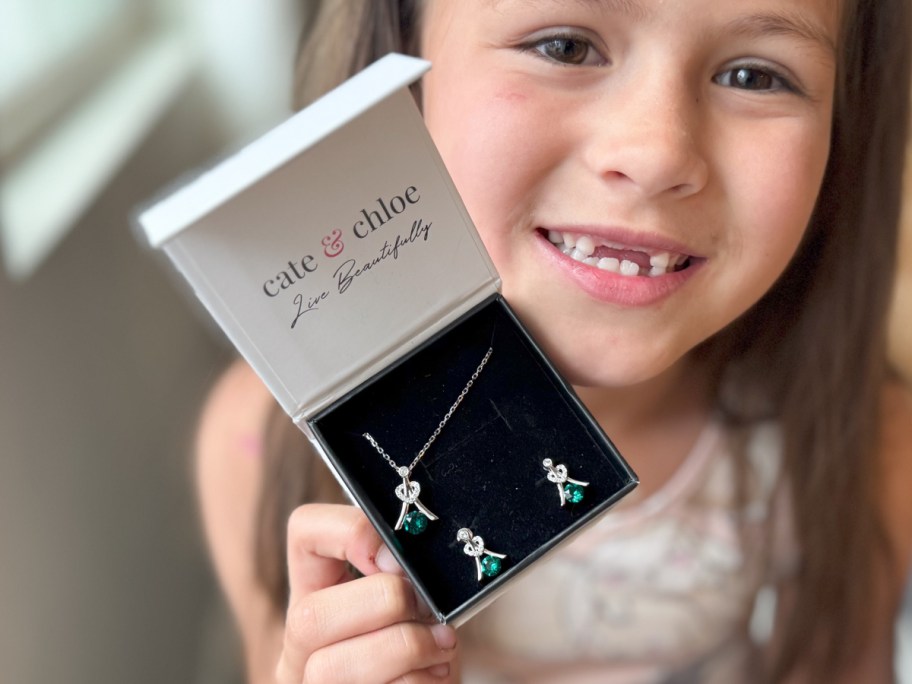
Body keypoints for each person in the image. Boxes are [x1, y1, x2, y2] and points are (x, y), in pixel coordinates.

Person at [196, 1, 912, 682]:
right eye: (563, 46)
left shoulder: (868, 441)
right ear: (397, 62)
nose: (657, 152)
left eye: (753, 75)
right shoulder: (257, 445)